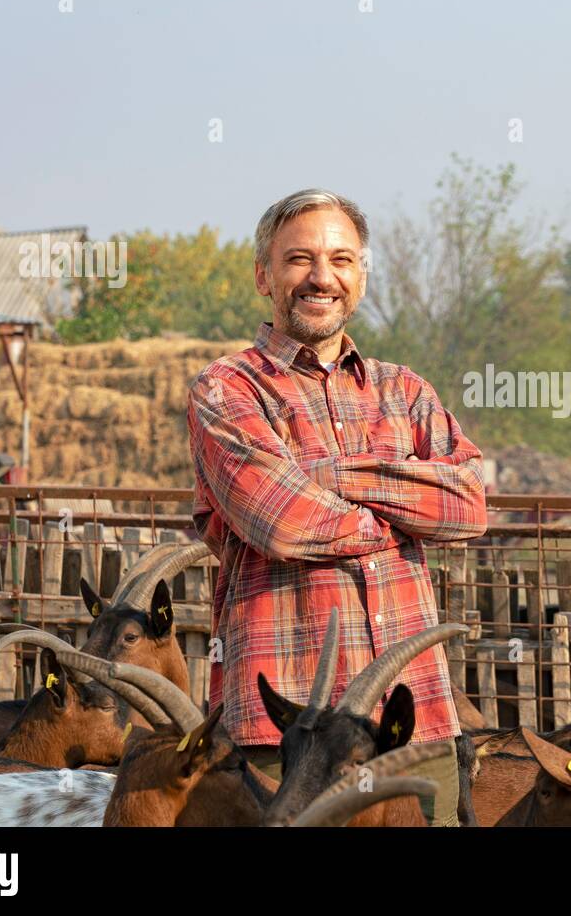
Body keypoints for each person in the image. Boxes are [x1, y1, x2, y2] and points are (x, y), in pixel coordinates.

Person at [186, 189, 488, 825]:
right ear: (263, 276)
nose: (322, 277)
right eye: (300, 259)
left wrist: (327, 475)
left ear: (361, 276)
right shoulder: (228, 387)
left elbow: (468, 505)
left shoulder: (404, 388)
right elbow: (286, 525)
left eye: (342, 259)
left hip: (414, 722)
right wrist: (405, 501)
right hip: (290, 727)